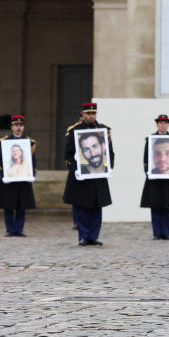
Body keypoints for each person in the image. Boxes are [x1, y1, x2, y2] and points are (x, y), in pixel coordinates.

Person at [63, 102, 114, 246]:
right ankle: (83, 236)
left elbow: (109, 153)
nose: (91, 116)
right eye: (88, 113)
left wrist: (110, 167)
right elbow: (67, 154)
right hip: (81, 177)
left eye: (94, 113)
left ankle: (94, 236)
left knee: (96, 207)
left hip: (98, 175)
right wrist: (76, 170)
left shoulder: (104, 130)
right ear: (83, 114)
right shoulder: (74, 130)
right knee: (81, 207)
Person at [140, 115, 169, 240]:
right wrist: (148, 173)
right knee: (155, 206)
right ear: (157, 124)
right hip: (155, 179)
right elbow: (146, 158)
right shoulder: (151, 139)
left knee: (167, 206)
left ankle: (166, 232)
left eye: (165, 123)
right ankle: (157, 233)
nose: (163, 125)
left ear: (168, 124)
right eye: (160, 123)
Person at [0, 115, 36, 236]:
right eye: (16, 125)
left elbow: (33, 161)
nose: (19, 128)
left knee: (21, 205)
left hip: (24, 178)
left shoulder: (30, 142)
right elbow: (0, 162)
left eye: (21, 125)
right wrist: (4, 175)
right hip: (9, 178)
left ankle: (19, 229)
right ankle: (10, 229)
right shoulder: (4, 142)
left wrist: (32, 173)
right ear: (11, 127)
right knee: (8, 205)